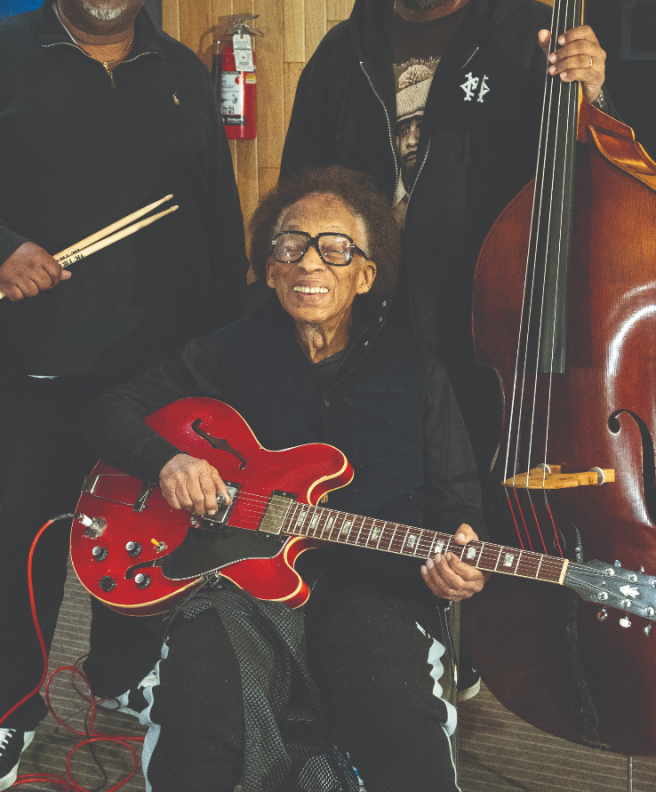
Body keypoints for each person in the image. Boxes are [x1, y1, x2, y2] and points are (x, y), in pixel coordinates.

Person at [0, 0, 247, 792]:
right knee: (25, 542)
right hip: (31, 367)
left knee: (141, 537)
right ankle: (8, 710)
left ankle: (120, 678)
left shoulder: (177, 72)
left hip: (153, 375)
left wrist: (225, 349)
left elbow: (216, 212)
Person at [83, 165, 488, 792]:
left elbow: (459, 498)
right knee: (196, 721)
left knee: (400, 734)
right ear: (270, 267)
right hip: (238, 581)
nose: (310, 265)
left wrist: (458, 556)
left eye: (336, 250)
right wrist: (169, 462)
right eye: (291, 246)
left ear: (366, 274)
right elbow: (109, 410)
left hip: (374, 583)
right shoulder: (225, 351)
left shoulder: (416, 368)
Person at [280, 0, 616, 473]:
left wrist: (595, 94)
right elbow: (301, 186)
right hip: (371, 315)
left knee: (486, 480)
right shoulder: (340, 51)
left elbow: (601, 175)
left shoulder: (537, 37)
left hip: (491, 316)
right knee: (380, 474)